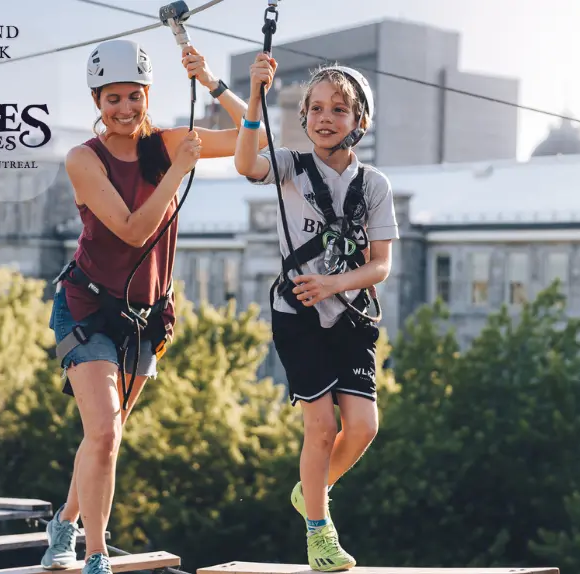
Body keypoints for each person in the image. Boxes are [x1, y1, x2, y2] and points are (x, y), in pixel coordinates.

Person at [43, 38, 266, 574]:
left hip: (144, 316)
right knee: (105, 432)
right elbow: (132, 229)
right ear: (96, 101)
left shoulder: (166, 143)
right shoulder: (84, 159)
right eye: (112, 98)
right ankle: (95, 554)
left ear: (148, 94)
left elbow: (254, 139)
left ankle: (64, 523)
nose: (124, 109)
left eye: (134, 96)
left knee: (105, 435)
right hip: (88, 307)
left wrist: (214, 82)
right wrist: (177, 171)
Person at [234, 53, 398, 572]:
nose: (327, 117)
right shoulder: (290, 166)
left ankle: (311, 491)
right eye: (318, 108)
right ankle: (318, 533)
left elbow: (380, 265)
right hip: (299, 314)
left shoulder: (373, 185)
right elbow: (246, 164)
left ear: (360, 121)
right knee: (321, 426)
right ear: (304, 116)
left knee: (363, 427)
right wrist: (255, 97)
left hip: (351, 314)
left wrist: (334, 283)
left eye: (340, 109)